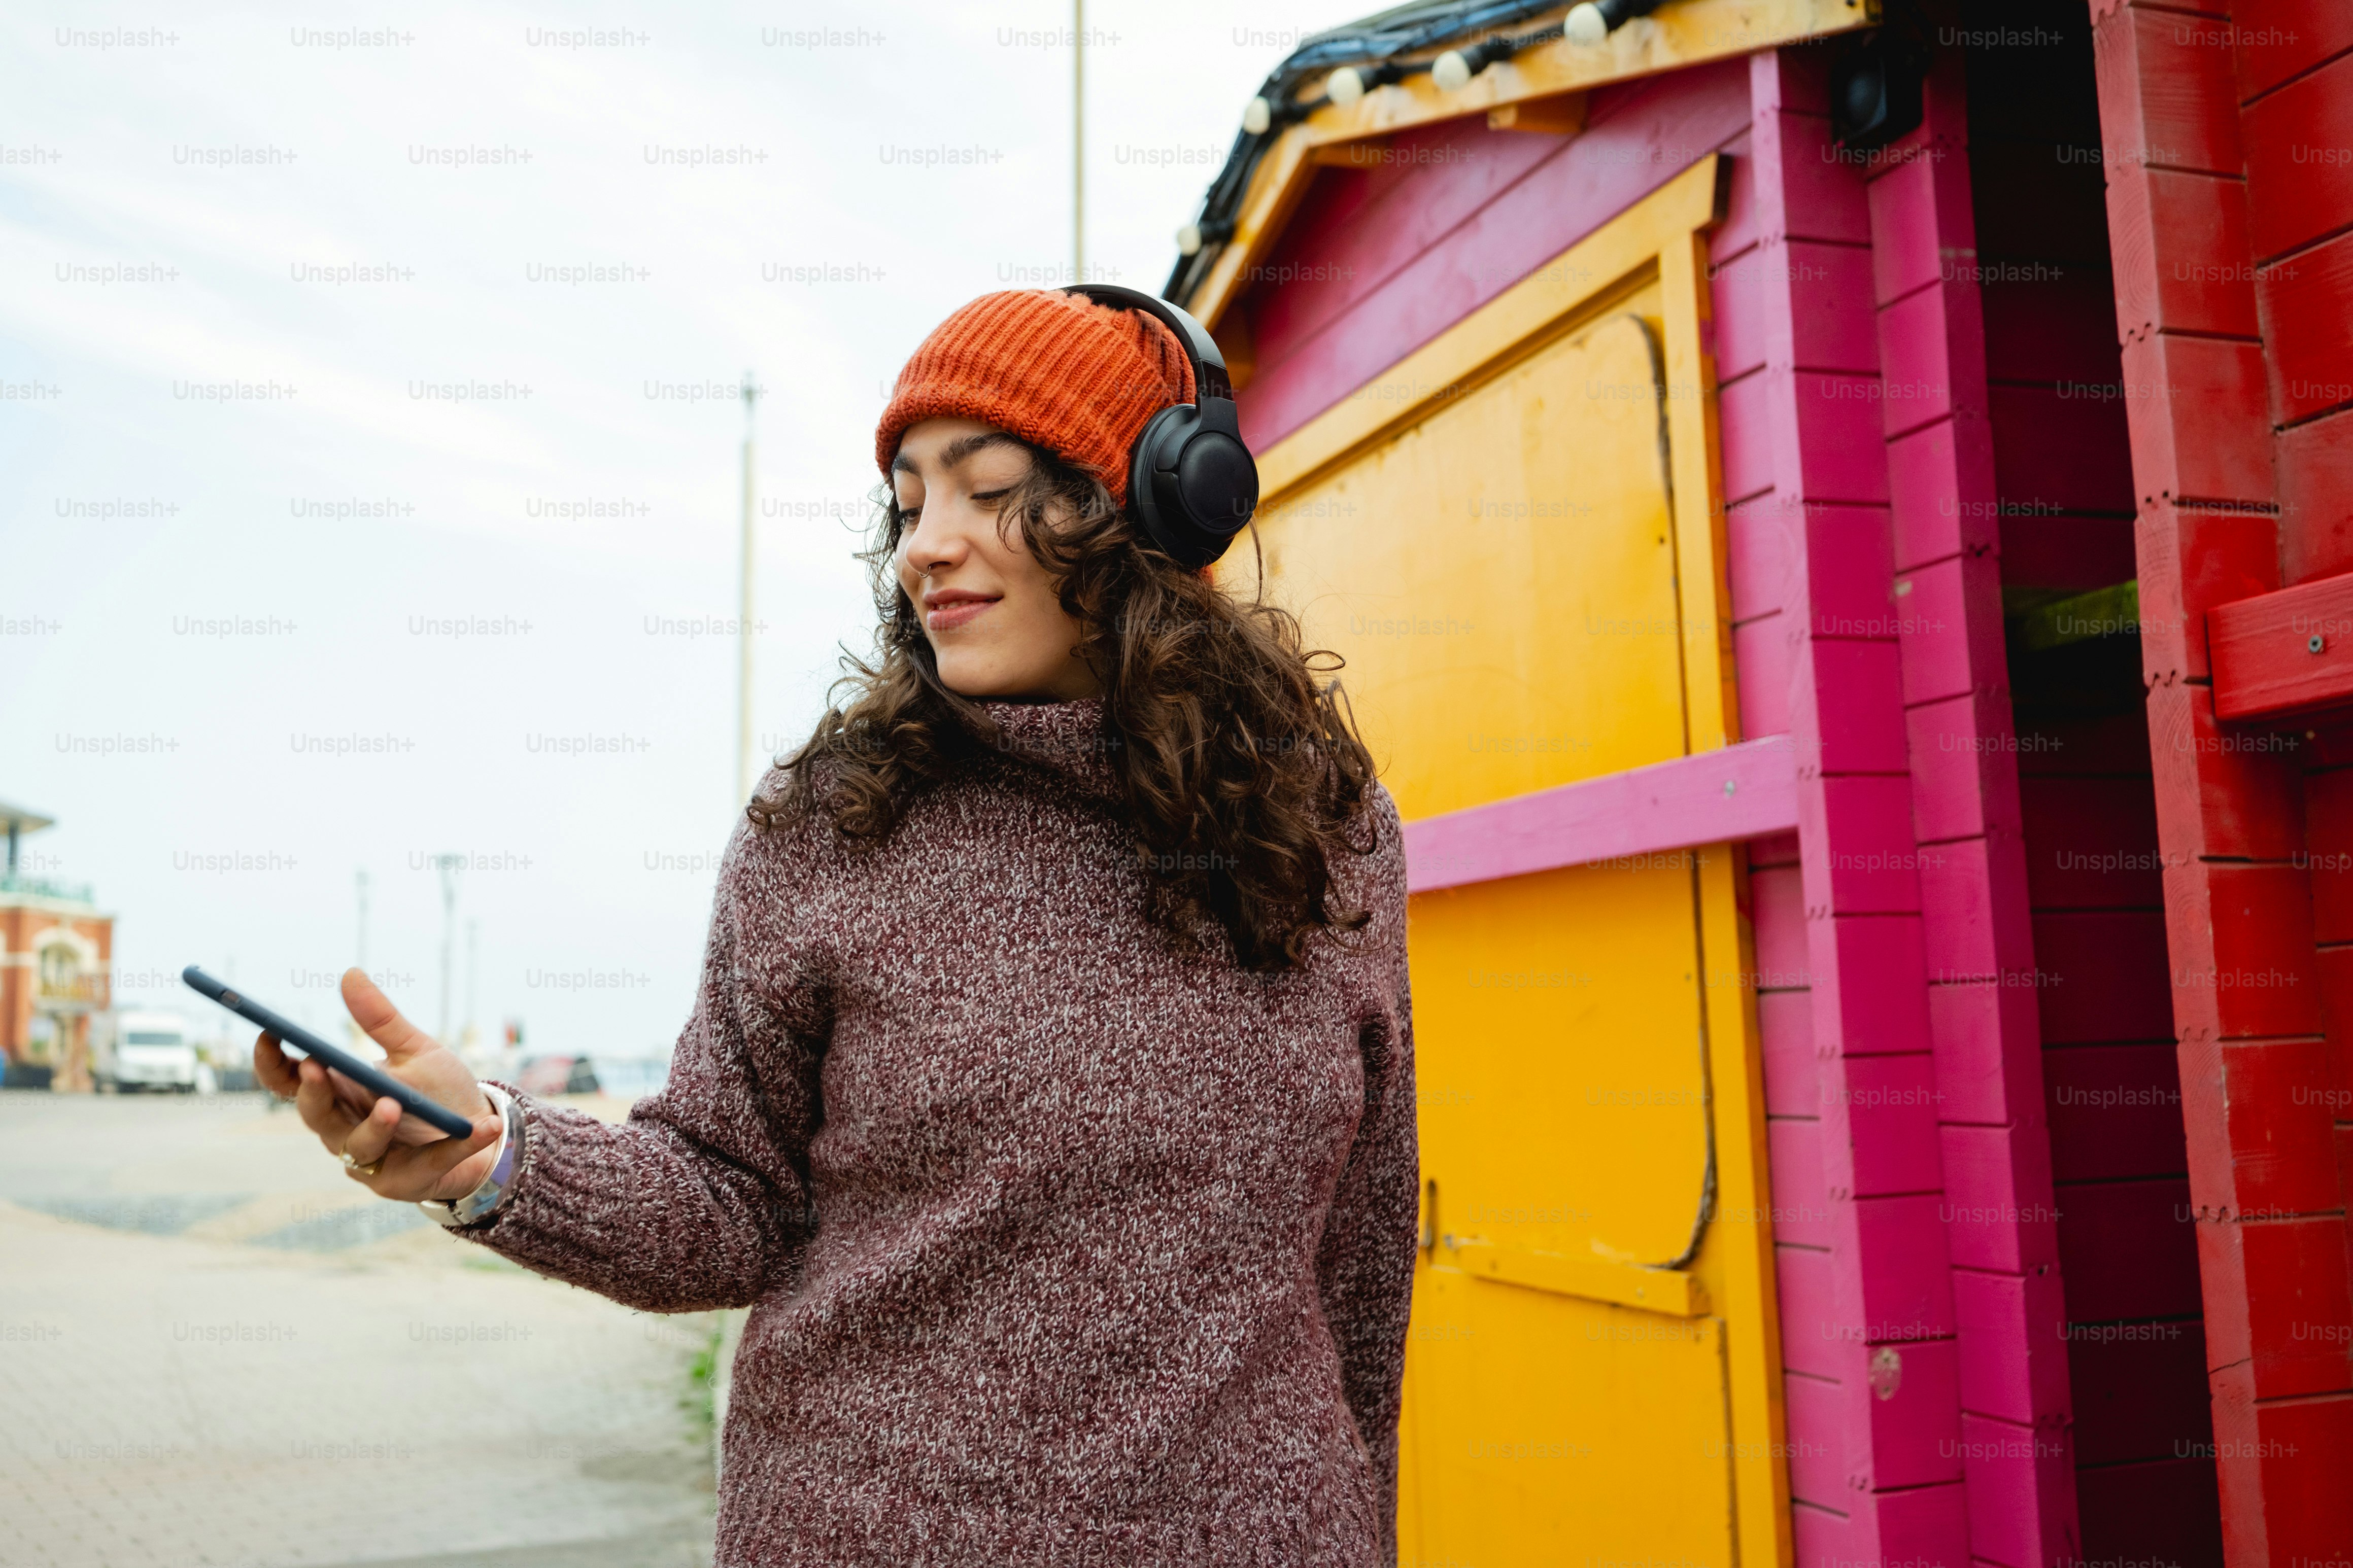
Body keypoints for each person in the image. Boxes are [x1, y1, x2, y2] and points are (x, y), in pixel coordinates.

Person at [256, 288, 1419, 1566]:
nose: (928, 544)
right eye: (909, 503)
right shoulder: (827, 828)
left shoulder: (1326, 829)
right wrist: (493, 1156)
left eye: (987, 490)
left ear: (1149, 506)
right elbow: (729, 1192)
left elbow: (1361, 1259)